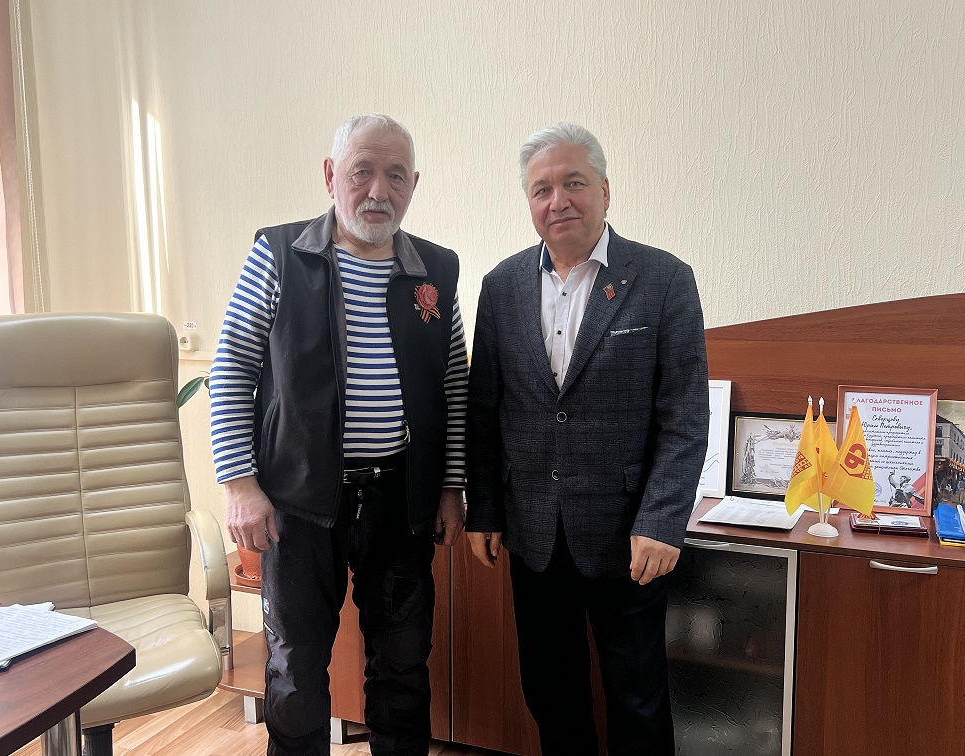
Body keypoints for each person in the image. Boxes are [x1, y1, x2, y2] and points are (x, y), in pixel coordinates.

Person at [209, 113, 468, 756]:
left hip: (400, 500)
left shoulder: (436, 271)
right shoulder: (279, 254)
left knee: (403, 665)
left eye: (395, 175)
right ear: (331, 175)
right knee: (295, 671)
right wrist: (239, 483)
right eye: (362, 171)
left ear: (414, 185)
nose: (378, 191)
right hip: (298, 502)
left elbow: (453, 384)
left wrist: (451, 486)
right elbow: (233, 365)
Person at [465, 122, 709, 756]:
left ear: (604, 189)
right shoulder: (501, 286)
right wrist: (483, 510)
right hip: (533, 535)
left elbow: (685, 415)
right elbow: (485, 411)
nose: (558, 201)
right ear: (529, 201)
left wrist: (662, 520)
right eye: (541, 189)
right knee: (551, 694)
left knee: (638, 699)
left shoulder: (663, 279)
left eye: (573, 183)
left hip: (629, 536)